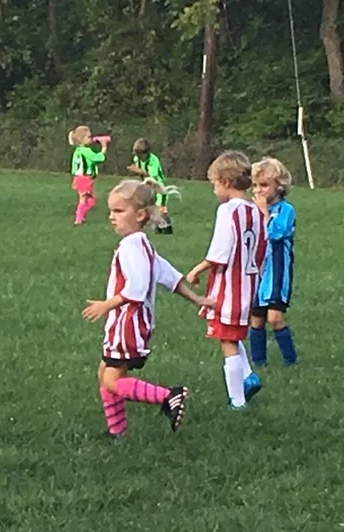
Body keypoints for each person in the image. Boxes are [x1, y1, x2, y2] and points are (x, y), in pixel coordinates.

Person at [82, 179, 210, 436]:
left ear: (140, 214)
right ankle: (117, 431)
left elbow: (138, 288)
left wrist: (107, 304)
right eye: (111, 211)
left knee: (112, 379)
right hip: (130, 324)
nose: (112, 217)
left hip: (127, 324)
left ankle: (168, 396)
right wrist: (196, 299)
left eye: (119, 211)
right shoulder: (142, 244)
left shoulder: (132, 247)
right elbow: (169, 276)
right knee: (105, 373)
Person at [185, 151, 268, 410]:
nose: (214, 190)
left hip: (228, 287)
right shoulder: (255, 211)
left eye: (214, 184)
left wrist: (197, 269)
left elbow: (220, 251)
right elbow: (262, 248)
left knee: (227, 340)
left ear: (226, 182)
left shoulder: (228, 211)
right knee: (233, 334)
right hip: (249, 285)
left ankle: (238, 400)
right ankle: (248, 376)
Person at [248, 157, 298, 367]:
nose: (258, 191)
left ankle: (290, 361)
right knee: (256, 318)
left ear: (279, 186)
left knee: (275, 317)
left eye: (264, 185)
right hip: (257, 269)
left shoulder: (286, 210)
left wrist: (264, 214)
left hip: (277, 270)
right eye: (255, 186)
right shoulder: (252, 209)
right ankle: (259, 362)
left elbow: (276, 233)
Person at [128, 139, 173, 234]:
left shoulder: (153, 160)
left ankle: (167, 228)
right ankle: (158, 228)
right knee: (151, 208)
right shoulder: (137, 159)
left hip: (158, 186)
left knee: (161, 208)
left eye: (140, 154)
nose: (138, 157)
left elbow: (152, 175)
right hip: (148, 186)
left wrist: (138, 171)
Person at [68, 125, 108, 226]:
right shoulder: (86, 151)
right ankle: (78, 218)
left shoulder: (78, 149)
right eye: (88, 137)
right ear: (81, 139)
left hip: (80, 178)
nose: (91, 139)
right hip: (85, 178)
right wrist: (104, 147)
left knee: (90, 200)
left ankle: (80, 215)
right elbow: (98, 158)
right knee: (84, 199)